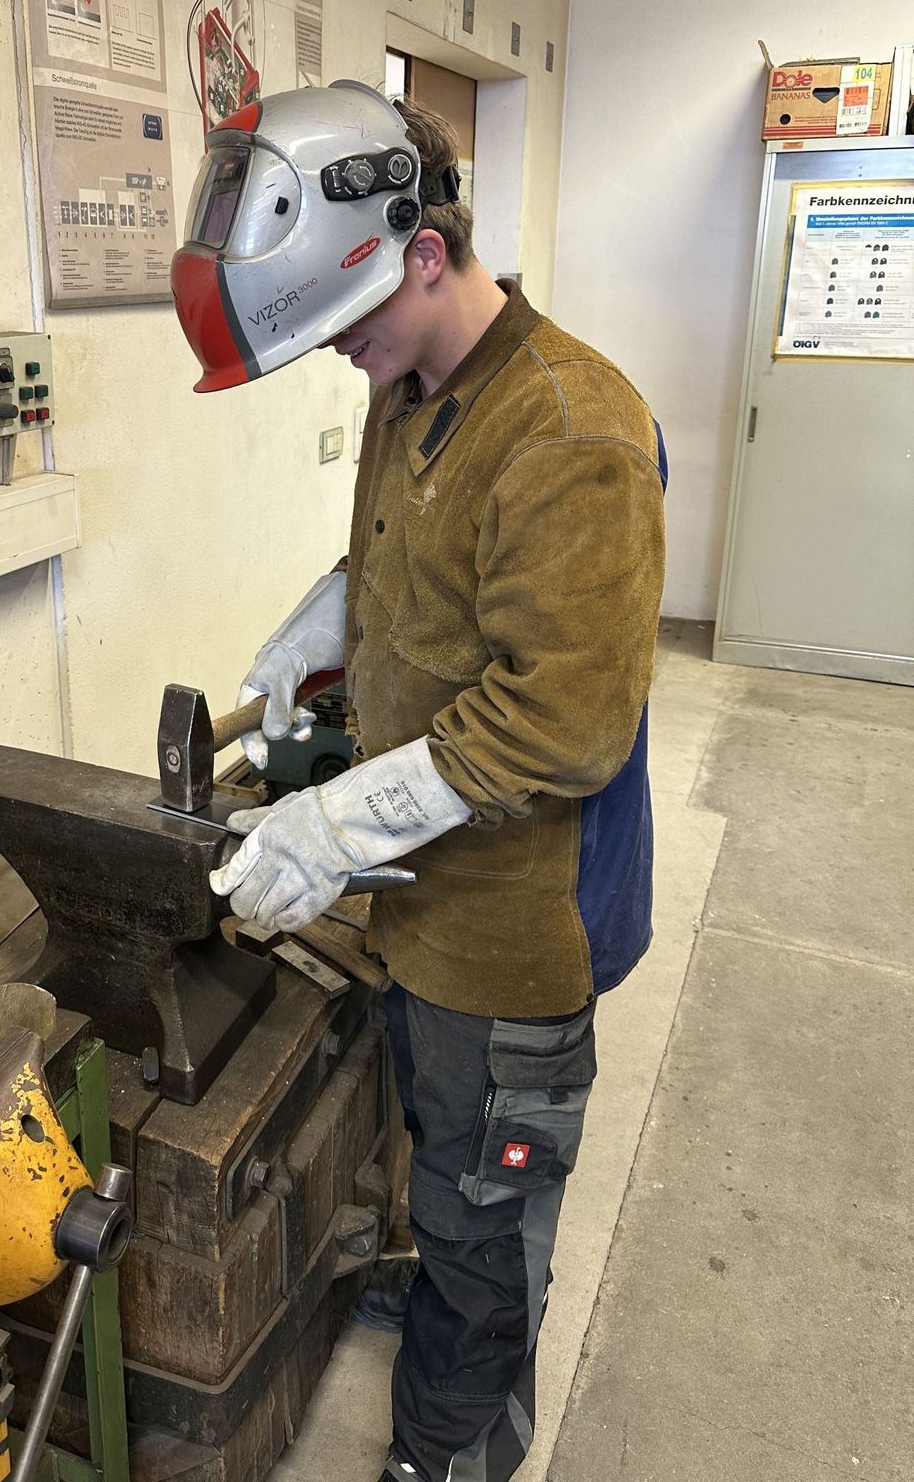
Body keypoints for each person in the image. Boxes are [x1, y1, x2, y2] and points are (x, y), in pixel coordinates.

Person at [171, 80, 666, 1482]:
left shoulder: (568, 431)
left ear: (429, 255)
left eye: (353, 326)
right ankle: (446, 1279)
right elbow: (412, 559)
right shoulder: (417, 384)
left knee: (491, 1223)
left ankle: (451, 1448)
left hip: (510, 937)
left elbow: (564, 722)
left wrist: (335, 818)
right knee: (441, 1169)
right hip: (423, 912)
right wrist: (321, 629)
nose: (345, 360)